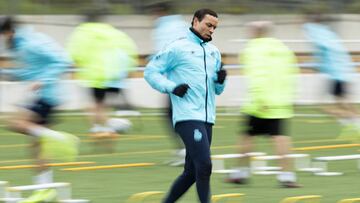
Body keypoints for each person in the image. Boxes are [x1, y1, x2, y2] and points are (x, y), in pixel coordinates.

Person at [144, 8, 226, 203]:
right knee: (205, 165)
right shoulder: (177, 47)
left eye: (214, 27)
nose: (211, 30)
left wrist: (221, 81)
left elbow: (218, 91)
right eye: (208, 25)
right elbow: (151, 71)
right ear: (195, 21)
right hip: (187, 117)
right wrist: (172, 87)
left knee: (191, 172)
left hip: (207, 119)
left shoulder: (214, 52)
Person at [0, 17, 78, 201]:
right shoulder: (23, 42)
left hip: (48, 94)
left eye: (3, 35)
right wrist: (8, 73)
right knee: (36, 145)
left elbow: (63, 61)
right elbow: (31, 71)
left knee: (17, 123)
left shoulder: (31, 43)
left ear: (9, 32)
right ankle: (45, 188)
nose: (3, 39)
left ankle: (62, 138)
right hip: (43, 94)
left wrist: (42, 81)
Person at [225, 21, 301, 188]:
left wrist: (260, 99)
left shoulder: (252, 49)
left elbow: (256, 75)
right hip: (281, 102)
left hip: (260, 102)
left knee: (247, 136)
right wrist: (290, 97)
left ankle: (240, 173)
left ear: (254, 32)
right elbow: (293, 72)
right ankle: (287, 177)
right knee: (281, 139)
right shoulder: (283, 49)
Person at [67, 11, 138, 151]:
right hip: (114, 75)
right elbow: (129, 48)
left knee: (94, 104)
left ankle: (100, 128)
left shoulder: (81, 32)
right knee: (103, 104)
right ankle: (108, 127)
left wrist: (79, 64)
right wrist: (128, 68)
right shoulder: (112, 31)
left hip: (95, 75)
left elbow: (75, 54)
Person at [303, 13, 360, 142]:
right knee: (345, 104)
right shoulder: (328, 33)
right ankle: (351, 128)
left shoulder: (315, 33)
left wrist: (314, 65)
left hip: (337, 75)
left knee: (322, 106)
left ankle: (356, 124)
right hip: (345, 72)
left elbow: (322, 55)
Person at [148, 0, 188, 166]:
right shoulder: (184, 24)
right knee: (180, 114)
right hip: (191, 73)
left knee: (172, 115)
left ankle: (187, 152)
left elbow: (163, 52)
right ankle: (188, 151)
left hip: (176, 77)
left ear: (160, 11)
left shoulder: (163, 28)